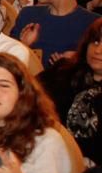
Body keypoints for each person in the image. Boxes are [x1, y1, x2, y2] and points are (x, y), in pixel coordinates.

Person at [38, 17, 102, 164]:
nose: (98, 50)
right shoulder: (63, 71)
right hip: (44, 152)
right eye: (96, 41)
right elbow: (27, 91)